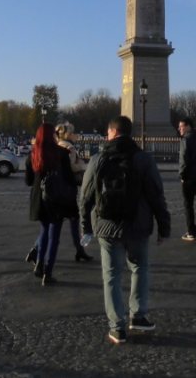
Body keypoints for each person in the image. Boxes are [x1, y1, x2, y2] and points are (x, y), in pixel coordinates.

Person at [79, 115, 170, 344]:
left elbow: (85, 198)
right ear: (130, 133)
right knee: (139, 268)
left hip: (107, 226)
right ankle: (138, 315)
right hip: (138, 225)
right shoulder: (144, 159)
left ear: (111, 132)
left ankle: (117, 327)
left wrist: (86, 227)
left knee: (111, 276)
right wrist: (164, 226)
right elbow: (156, 195)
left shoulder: (98, 159)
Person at [25, 122, 93, 265]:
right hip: (63, 191)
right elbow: (71, 169)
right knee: (63, 224)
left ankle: (39, 257)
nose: (76, 135)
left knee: (48, 226)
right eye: (74, 133)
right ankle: (47, 263)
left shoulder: (37, 151)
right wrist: (86, 166)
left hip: (47, 193)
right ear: (67, 134)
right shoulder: (68, 148)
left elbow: (29, 179)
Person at [24, 122, 77, 286]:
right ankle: (48, 271)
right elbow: (69, 178)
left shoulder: (33, 154)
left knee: (44, 230)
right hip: (57, 198)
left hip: (40, 198)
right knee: (55, 236)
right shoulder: (62, 153)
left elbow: (28, 181)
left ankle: (39, 264)